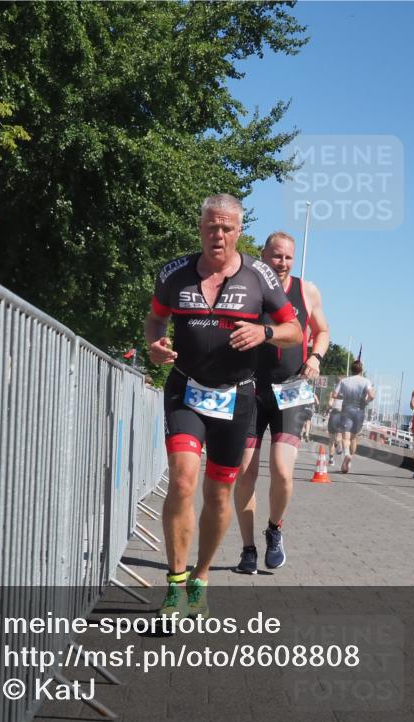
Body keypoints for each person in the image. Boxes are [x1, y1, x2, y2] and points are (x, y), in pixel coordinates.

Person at [145, 196, 302, 616]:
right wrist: (154, 345)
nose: (218, 235)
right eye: (211, 227)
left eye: (227, 228)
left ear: (239, 231)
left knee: (218, 494)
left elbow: (294, 329)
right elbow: (155, 318)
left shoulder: (260, 276)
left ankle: (201, 574)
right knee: (181, 481)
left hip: (237, 396)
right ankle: (175, 582)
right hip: (186, 389)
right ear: (200, 228)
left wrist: (264, 333)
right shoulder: (174, 273)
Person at [233, 232, 330, 574]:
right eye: (276, 256)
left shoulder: (307, 290)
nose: (283, 263)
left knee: (282, 471)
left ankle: (275, 530)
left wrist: (316, 357)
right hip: (249, 388)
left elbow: (323, 331)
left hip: (292, 387)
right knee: (245, 473)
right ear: (263, 255)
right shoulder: (246, 287)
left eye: (288, 257)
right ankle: (247, 549)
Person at [333, 361, 374, 474]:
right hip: (359, 411)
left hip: (347, 409)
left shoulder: (344, 381)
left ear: (351, 370)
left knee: (346, 437)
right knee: (354, 438)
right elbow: (372, 395)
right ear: (361, 370)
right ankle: (349, 461)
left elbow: (334, 395)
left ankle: (346, 454)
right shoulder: (366, 381)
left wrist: (344, 395)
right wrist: (365, 402)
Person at [325, 388, 344, 465]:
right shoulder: (347, 393)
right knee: (336, 437)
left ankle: (331, 459)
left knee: (332, 439)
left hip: (334, 415)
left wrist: (328, 408)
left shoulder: (333, 392)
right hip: (341, 415)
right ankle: (338, 444)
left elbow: (329, 404)